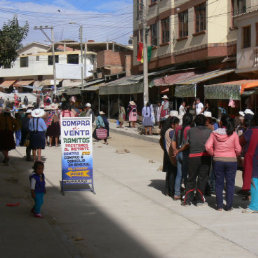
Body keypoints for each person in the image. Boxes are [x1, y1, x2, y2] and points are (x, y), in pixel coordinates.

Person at [205, 115, 241, 211]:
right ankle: (229, 206)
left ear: (221, 123)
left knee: (219, 183)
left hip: (218, 160)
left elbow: (207, 146)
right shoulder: (234, 134)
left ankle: (219, 206)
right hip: (231, 161)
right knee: (230, 184)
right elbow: (238, 149)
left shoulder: (214, 133)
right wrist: (235, 154)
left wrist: (214, 154)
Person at [182, 114, 212, 206]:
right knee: (202, 178)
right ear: (205, 122)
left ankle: (187, 200)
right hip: (205, 157)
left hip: (193, 157)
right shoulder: (209, 131)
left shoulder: (191, 131)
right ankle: (199, 199)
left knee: (191, 178)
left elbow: (187, 143)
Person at [172, 113, 193, 200]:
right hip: (185, 154)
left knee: (179, 175)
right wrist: (180, 150)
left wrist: (175, 150)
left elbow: (173, 141)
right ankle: (186, 194)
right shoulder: (189, 129)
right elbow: (187, 144)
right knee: (186, 176)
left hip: (178, 154)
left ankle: (176, 194)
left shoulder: (178, 128)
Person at [241, 115, 258, 213]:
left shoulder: (251, 131)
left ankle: (254, 206)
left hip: (253, 158)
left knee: (254, 179)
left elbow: (241, 141)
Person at [160, 116, 180, 197]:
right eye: (177, 124)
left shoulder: (166, 130)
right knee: (173, 173)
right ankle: (172, 191)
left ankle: (167, 190)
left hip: (167, 154)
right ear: (172, 125)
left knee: (169, 173)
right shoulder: (172, 132)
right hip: (171, 155)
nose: (178, 125)